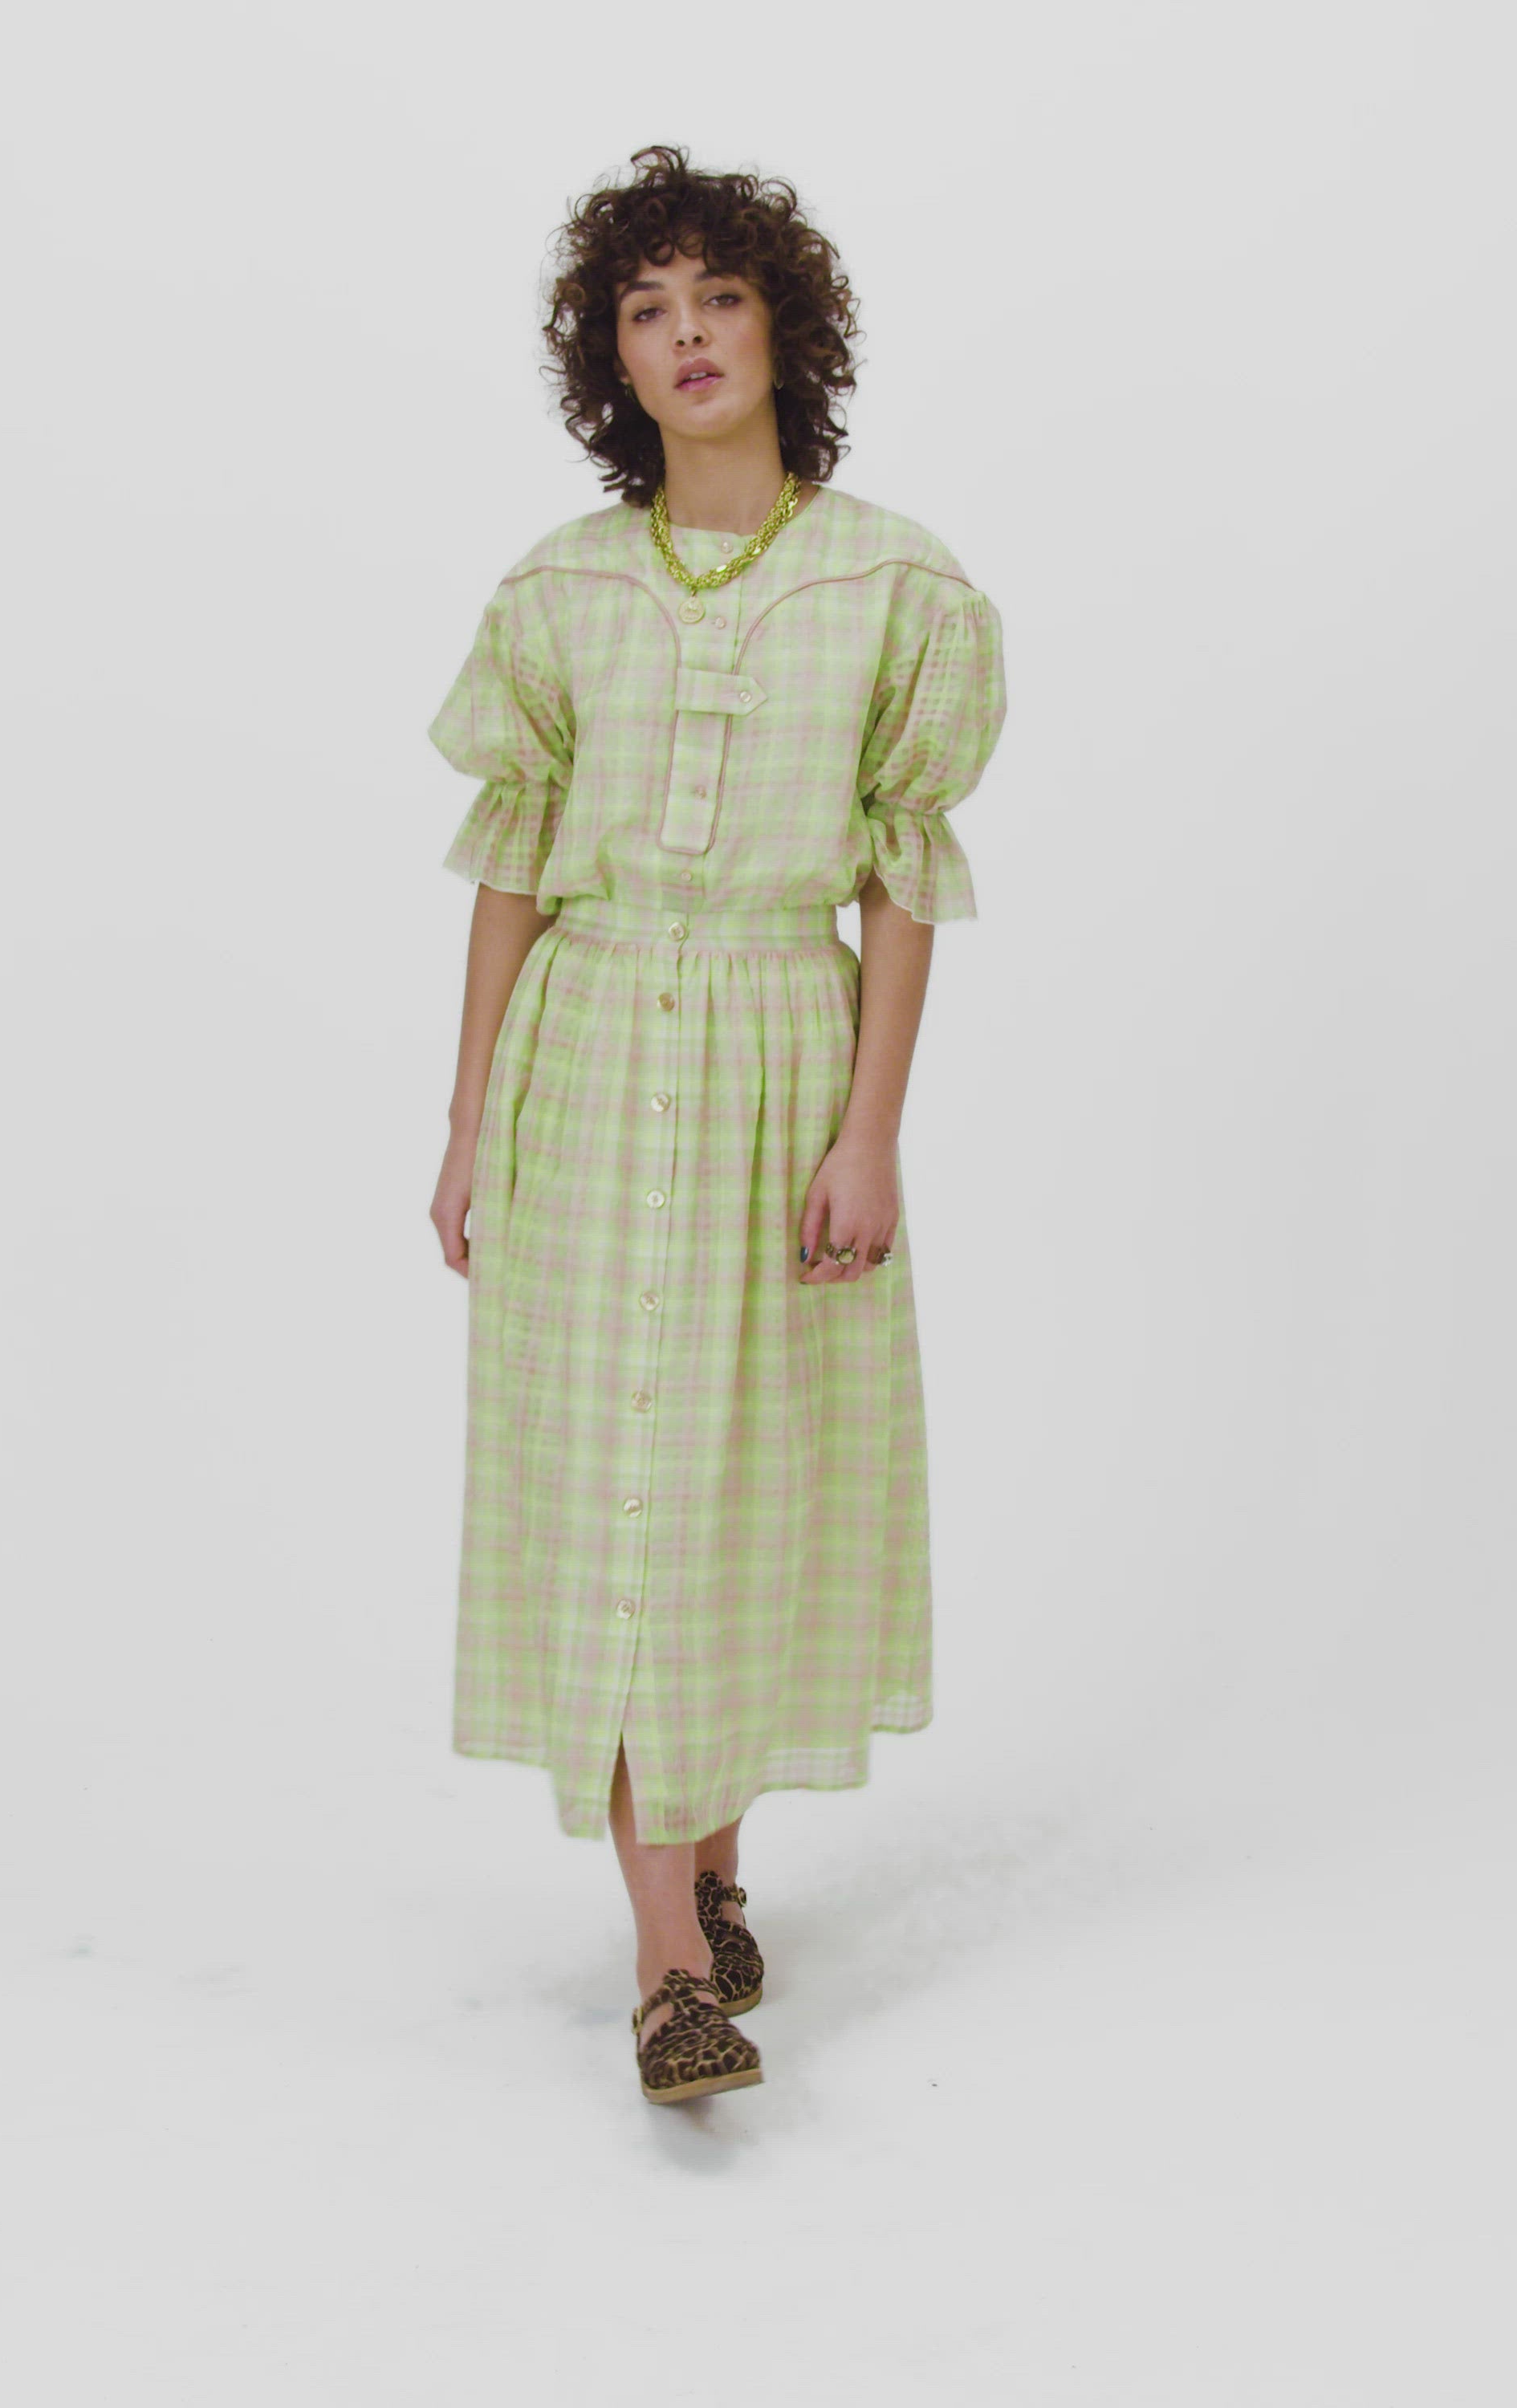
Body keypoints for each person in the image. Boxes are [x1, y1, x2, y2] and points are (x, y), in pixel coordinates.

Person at [425, 144, 1007, 2105]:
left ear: (784, 329)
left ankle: (715, 1867)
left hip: (780, 1064)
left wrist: (872, 1132)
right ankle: (670, 1964)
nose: (684, 337)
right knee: (613, 1491)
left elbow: (900, 879)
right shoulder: (559, 590)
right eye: (645, 308)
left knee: (744, 1484)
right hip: (587, 1062)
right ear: (611, 357)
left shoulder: (898, 584)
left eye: (719, 298)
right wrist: (467, 1125)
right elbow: (511, 868)